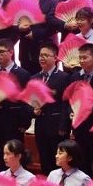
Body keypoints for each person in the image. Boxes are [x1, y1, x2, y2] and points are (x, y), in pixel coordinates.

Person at [0, 38, 31, 169]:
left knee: (15, 152)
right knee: (0, 153)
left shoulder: (22, 74)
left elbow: (26, 101)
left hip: (14, 121)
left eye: (2, 52)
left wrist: (25, 122)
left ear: (11, 52)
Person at [29, 41, 70, 176]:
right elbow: (28, 103)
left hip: (57, 126)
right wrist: (33, 111)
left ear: (55, 57)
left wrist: (64, 126)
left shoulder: (63, 77)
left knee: (58, 159)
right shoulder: (34, 78)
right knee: (44, 158)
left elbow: (66, 103)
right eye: (41, 55)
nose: (42, 58)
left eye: (46, 55)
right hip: (40, 125)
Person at [67, 43, 93, 177]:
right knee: (81, 159)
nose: (82, 61)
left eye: (85, 57)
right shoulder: (75, 76)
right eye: (80, 58)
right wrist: (71, 112)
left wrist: (85, 110)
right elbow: (70, 99)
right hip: (79, 127)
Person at [17, 0, 60, 75]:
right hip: (26, 53)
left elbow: (54, 26)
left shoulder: (53, 2)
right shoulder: (21, 2)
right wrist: (19, 28)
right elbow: (13, 23)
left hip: (46, 51)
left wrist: (35, 34)